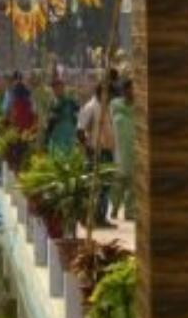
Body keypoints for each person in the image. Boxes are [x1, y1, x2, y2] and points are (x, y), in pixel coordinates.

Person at [77, 81, 116, 226]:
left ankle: (101, 217)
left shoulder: (107, 107)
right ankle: (89, 217)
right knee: (94, 187)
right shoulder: (91, 107)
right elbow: (80, 131)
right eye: (110, 94)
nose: (112, 97)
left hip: (107, 151)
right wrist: (88, 149)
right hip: (95, 152)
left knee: (105, 187)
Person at [109, 80, 136, 221]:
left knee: (133, 182)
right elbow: (108, 123)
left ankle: (130, 211)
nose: (133, 92)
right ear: (125, 90)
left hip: (134, 149)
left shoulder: (139, 107)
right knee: (118, 181)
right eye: (130, 89)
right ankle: (114, 207)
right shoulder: (115, 105)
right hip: (118, 149)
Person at [44, 74, 79, 156]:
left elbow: (77, 114)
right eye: (54, 88)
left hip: (68, 133)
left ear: (63, 88)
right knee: (57, 154)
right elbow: (50, 118)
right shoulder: (53, 102)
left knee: (67, 154)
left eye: (59, 88)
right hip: (56, 134)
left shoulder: (70, 101)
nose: (56, 90)